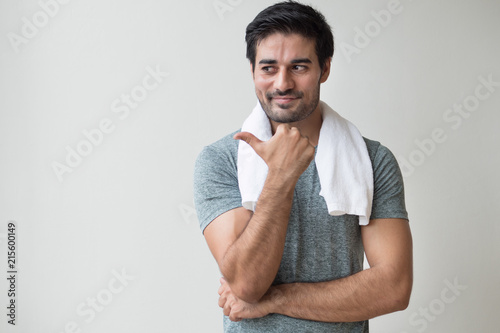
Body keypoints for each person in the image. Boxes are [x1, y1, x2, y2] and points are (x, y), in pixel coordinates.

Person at [193, 1, 413, 332]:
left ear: (325, 68)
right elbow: (247, 285)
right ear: (252, 69)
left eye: (299, 67)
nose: (282, 84)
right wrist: (280, 176)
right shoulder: (220, 160)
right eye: (268, 68)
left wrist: (275, 300)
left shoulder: (373, 160)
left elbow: (394, 288)